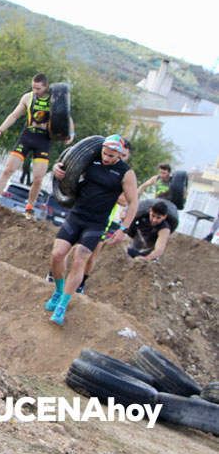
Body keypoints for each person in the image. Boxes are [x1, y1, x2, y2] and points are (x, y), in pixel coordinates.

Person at [45, 135, 138, 326]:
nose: (106, 157)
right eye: (105, 153)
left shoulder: (125, 173)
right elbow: (67, 162)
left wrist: (123, 228)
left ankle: (63, 304)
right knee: (57, 255)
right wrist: (57, 169)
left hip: (96, 223)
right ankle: (58, 291)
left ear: (120, 155)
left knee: (80, 259)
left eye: (111, 155)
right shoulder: (92, 158)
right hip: (76, 215)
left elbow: (133, 202)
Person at [0, 74, 74, 218]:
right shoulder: (27, 97)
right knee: (8, 170)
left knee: (38, 178)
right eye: (33, 87)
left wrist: (70, 134)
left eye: (38, 88)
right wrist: (0, 130)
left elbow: (67, 116)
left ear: (46, 86)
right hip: (27, 136)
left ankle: (29, 208)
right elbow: (14, 115)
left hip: (44, 140)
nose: (35, 90)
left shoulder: (54, 99)